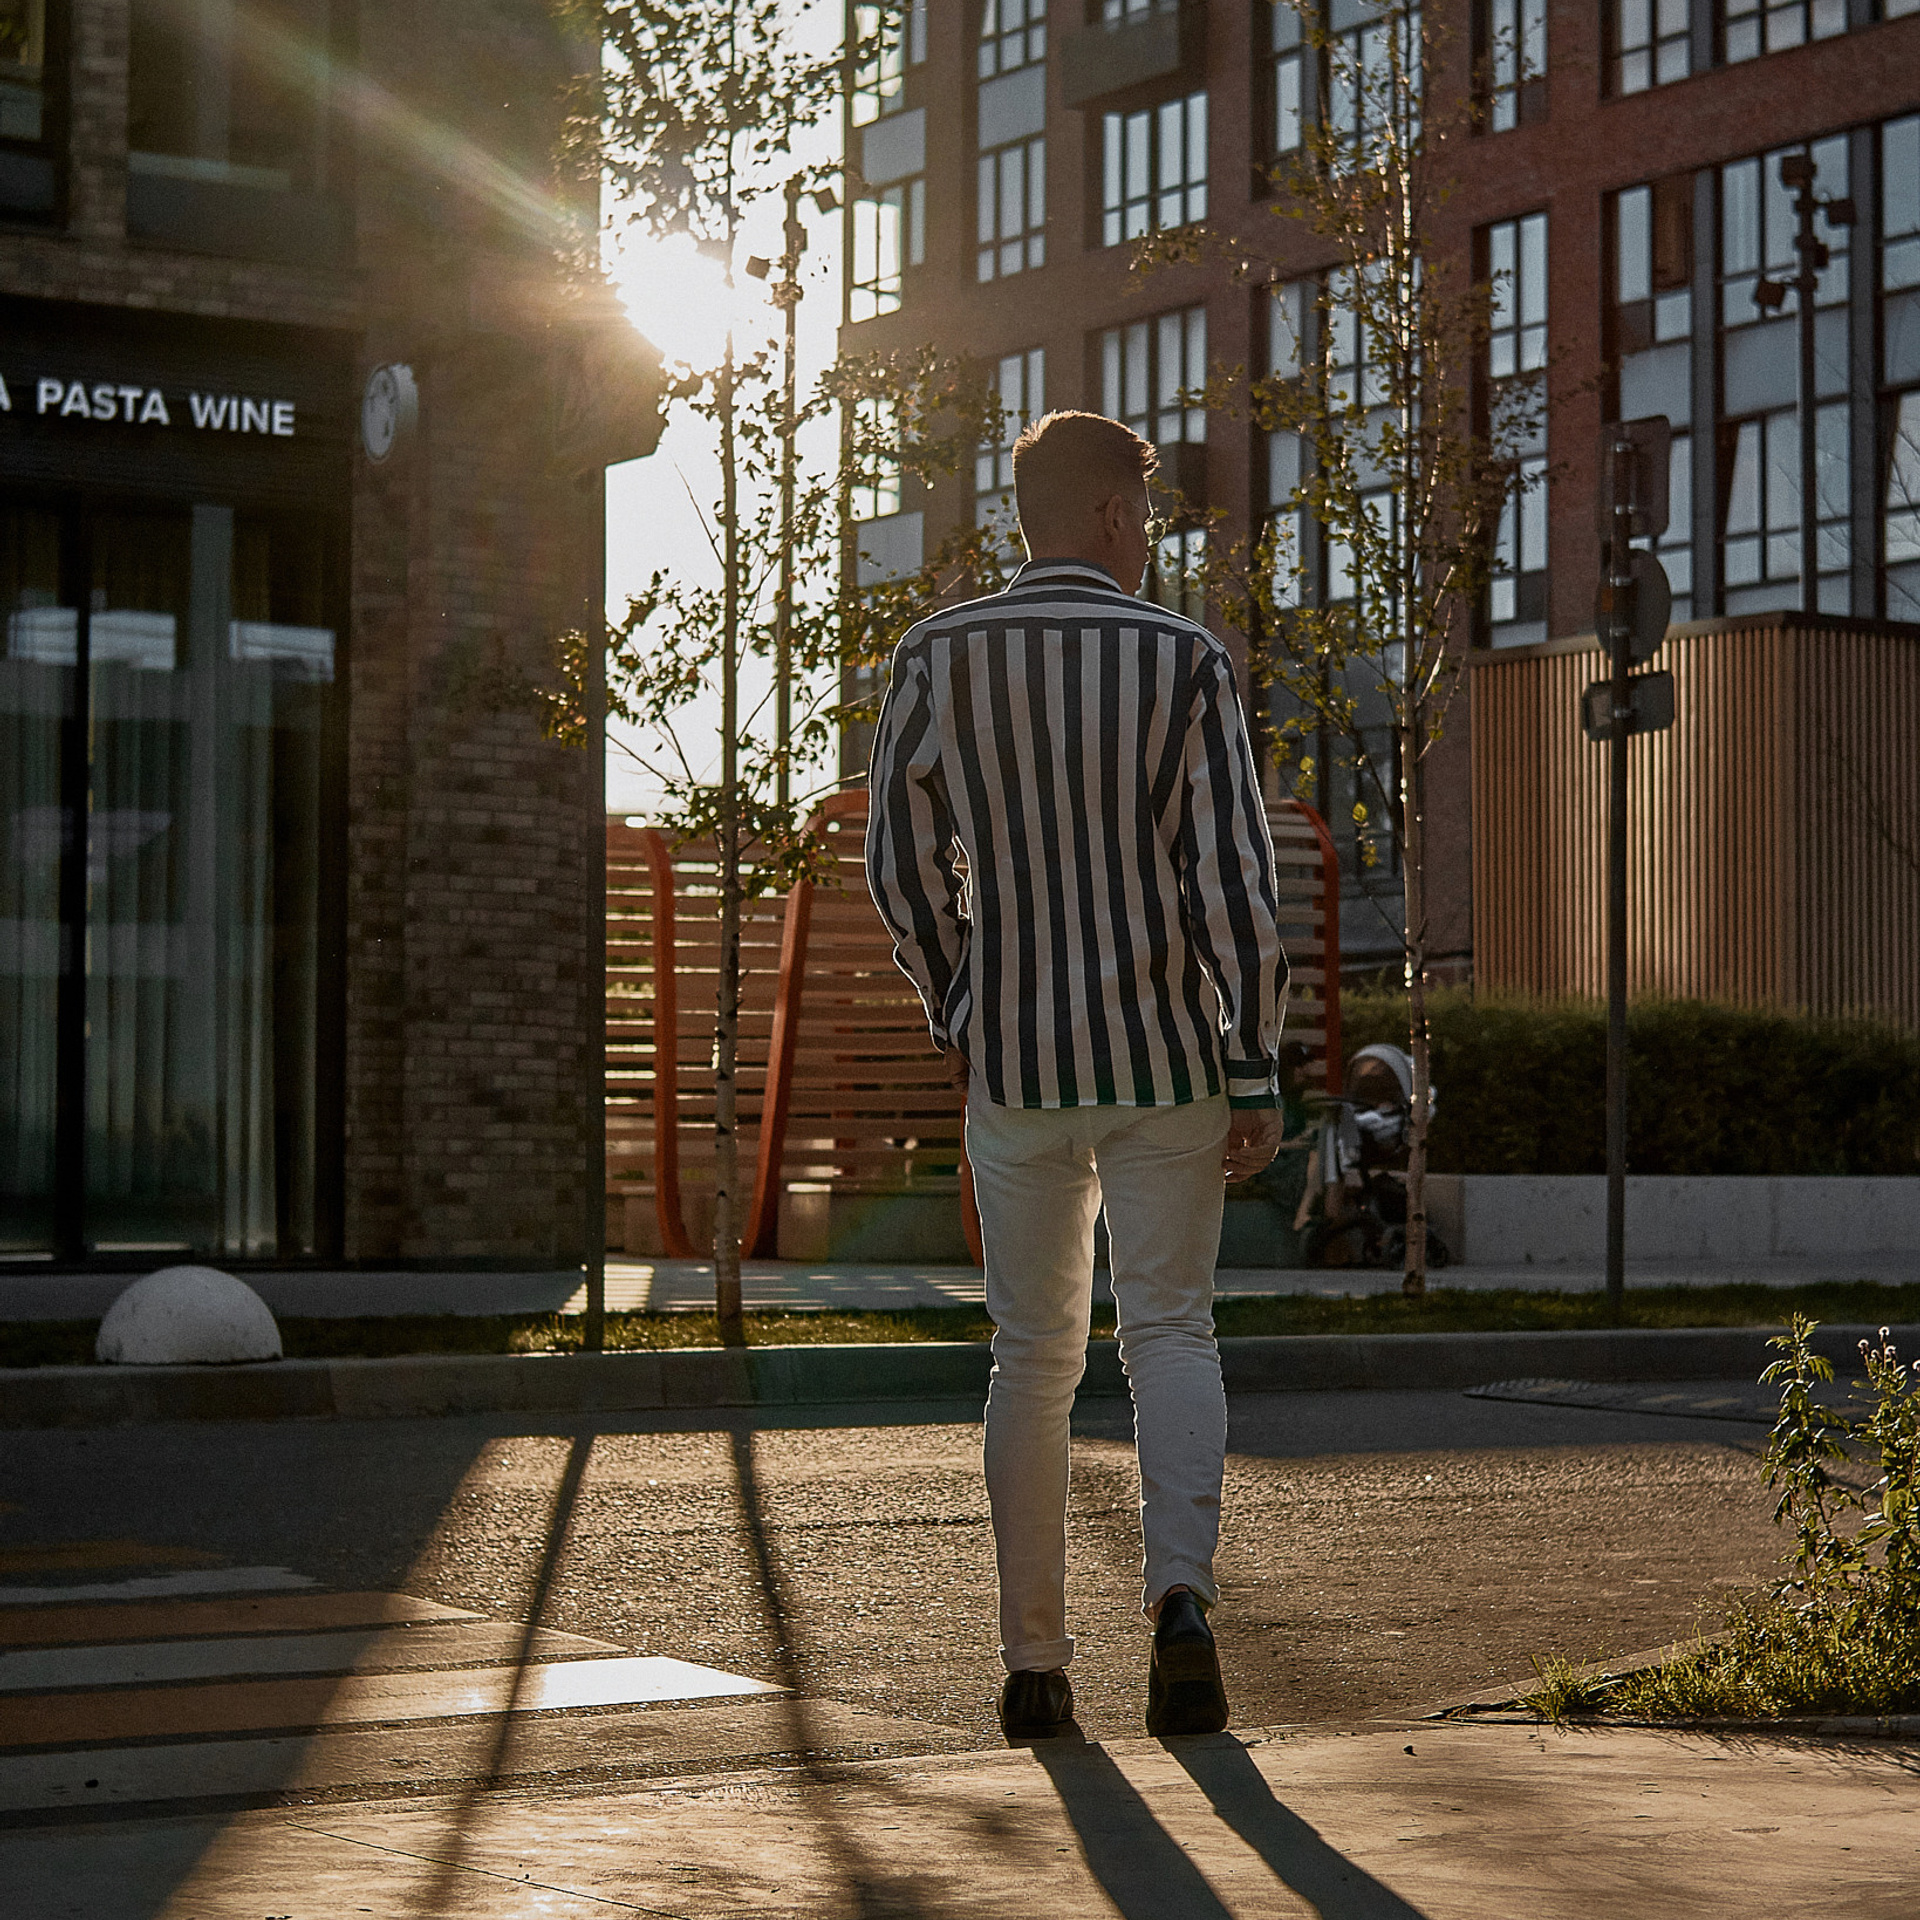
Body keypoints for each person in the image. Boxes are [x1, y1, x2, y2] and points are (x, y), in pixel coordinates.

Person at [865, 410, 1288, 1740]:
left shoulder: (936, 656)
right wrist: (1256, 1063)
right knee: (1170, 1334)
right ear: (1112, 515)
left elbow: (897, 860)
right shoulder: (1185, 662)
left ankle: (1036, 1666)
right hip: (1168, 1065)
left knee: (1030, 1361)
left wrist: (966, 1002)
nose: (1149, 540)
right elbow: (1235, 887)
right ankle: (1180, 1608)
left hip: (1019, 1071)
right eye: (1146, 516)